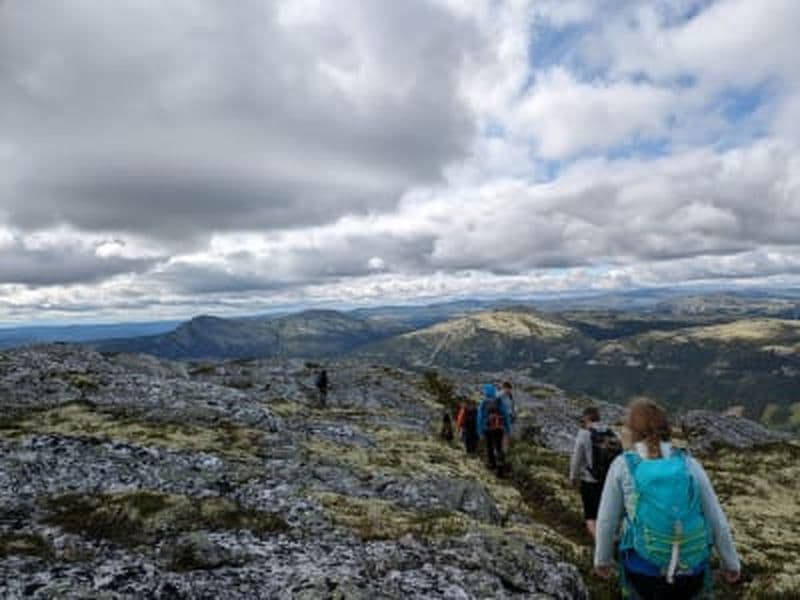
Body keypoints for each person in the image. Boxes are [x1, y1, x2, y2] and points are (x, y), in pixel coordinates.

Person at [594, 398, 740, 599]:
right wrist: (731, 563)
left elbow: (606, 521)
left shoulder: (622, 465)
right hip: (691, 571)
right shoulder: (689, 463)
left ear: (633, 431)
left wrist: (602, 560)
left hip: (644, 572)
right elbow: (716, 519)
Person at [569, 406, 621, 538]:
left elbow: (576, 459)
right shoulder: (611, 433)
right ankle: (612, 539)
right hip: (608, 481)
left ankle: (600, 543)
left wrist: (573, 477)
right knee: (605, 513)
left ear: (586, 418)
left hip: (590, 480)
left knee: (591, 516)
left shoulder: (584, 434)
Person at [477, 383, 512, 474]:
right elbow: (506, 416)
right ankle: (500, 465)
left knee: (489, 447)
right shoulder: (499, 402)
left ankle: (491, 464)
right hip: (499, 428)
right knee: (498, 447)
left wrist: (479, 431)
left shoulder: (484, 403)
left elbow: (480, 418)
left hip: (487, 429)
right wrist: (508, 429)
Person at [498, 381, 516, 452]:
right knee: (503, 433)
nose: (509, 390)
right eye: (508, 389)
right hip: (502, 417)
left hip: (508, 416)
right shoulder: (500, 394)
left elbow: (512, 406)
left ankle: (505, 449)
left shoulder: (510, 396)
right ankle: (502, 449)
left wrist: (513, 414)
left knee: (507, 433)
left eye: (510, 389)